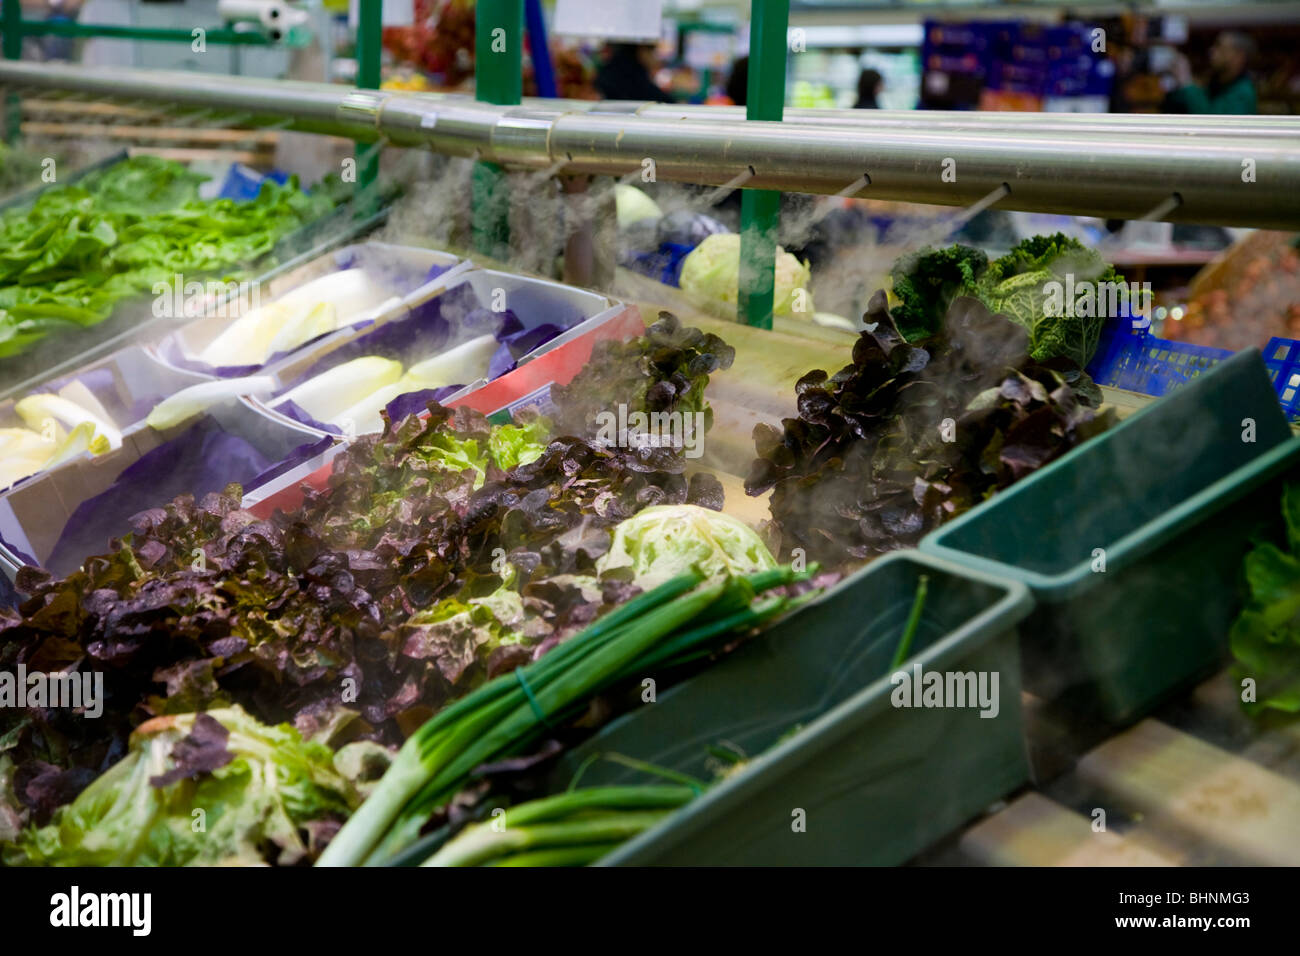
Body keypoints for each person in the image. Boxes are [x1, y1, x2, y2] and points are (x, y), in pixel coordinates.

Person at [1167, 31, 1257, 114]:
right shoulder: (1218, 84)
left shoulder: (1242, 93)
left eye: (1220, 47)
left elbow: (1212, 120)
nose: (1212, 51)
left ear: (1238, 57)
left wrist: (1186, 82)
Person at [594, 43, 674, 103]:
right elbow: (647, 92)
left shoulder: (619, 64)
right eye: (653, 53)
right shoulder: (632, 71)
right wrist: (672, 103)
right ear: (642, 50)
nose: (656, 59)